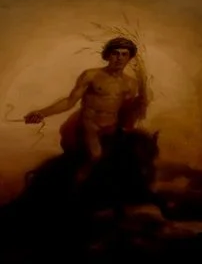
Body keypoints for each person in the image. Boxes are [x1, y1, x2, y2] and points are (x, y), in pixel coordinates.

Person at [23, 33, 149, 175]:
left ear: (129, 58)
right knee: (96, 158)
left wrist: (139, 106)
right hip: (90, 127)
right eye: (115, 53)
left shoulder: (131, 83)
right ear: (108, 56)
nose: (119, 58)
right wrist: (42, 113)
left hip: (112, 128)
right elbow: (69, 102)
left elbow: (125, 111)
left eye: (124, 54)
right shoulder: (91, 75)